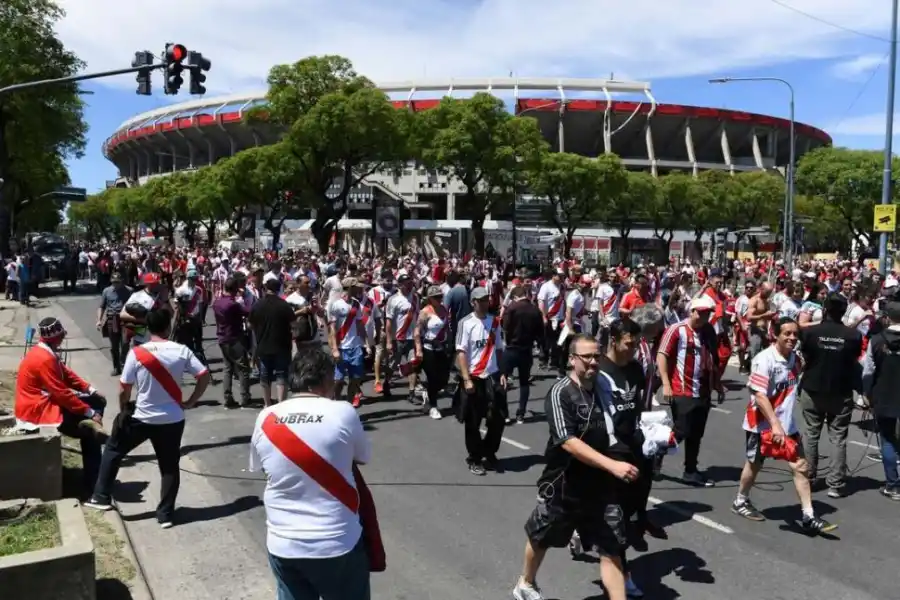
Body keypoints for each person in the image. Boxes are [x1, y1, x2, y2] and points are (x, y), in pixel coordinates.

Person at [513, 334, 638, 600]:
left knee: (612, 547)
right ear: (572, 359)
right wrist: (612, 465)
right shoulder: (561, 393)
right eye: (587, 357)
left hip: (601, 485)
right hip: (563, 483)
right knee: (543, 535)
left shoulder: (604, 388)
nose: (593, 362)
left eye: (597, 356)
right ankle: (526, 582)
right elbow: (567, 441)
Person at [249, 349, 372, 600]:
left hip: (284, 541)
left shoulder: (266, 416)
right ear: (327, 379)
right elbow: (362, 457)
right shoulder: (343, 411)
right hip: (336, 540)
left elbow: (263, 467)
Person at [85, 307, 210, 528]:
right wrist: (190, 401)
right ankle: (165, 515)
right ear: (168, 326)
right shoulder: (181, 351)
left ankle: (100, 497)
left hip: (142, 416)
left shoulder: (137, 353)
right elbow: (203, 375)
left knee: (114, 450)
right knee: (169, 466)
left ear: (147, 327)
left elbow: (124, 387)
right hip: (172, 418)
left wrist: (124, 409)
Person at [731, 317, 837, 534]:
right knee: (754, 465)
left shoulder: (795, 360)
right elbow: (759, 396)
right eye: (787, 333)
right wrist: (775, 425)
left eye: (795, 334)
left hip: (787, 426)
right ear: (775, 335)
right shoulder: (764, 360)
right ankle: (741, 501)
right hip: (760, 425)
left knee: (801, 466)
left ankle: (808, 515)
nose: (791, 338)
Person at [15, 317, 107, 495]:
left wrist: (90, 389)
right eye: (62, 335)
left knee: (97, 402)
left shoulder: (47, 352)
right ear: (54, 338)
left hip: (44, 402)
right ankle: (94, 484)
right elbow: (61, 393)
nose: (64, 338)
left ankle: (92, 424)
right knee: (90, 435)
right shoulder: (45, 359)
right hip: (37, 410)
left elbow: (66, 374)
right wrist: (88, 413)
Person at [798, 293, 862, 497]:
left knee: (811, 434)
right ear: (843, 312)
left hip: (813, 389)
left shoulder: (810, 333)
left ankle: (809, 476)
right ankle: (835, 483)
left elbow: (805, 357)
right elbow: (852, 361)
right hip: (840, 390)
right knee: (838, 438)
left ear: (824, 310)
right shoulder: (853, 336)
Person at [656, 295, 720, 487]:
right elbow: (662, 355)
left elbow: (712, 358)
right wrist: (666, 383)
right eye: (700, 313)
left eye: (708, 314)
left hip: (703, 391)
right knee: (681, 431)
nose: (704, 317)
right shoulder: (677, 330)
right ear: (691, 311)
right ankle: (656, 454)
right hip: (682, 390)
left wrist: (717, 383)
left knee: (696, 434)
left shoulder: (708, 331)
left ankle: (690, 470)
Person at [454, 286, 508, 475]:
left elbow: (499, 349)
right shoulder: (466, 323)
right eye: (480, 300)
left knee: (498, 418)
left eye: (486, 300)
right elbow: (461, 351)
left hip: (492, 376)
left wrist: (502, 372)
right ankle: (474, 457)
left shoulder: (495, 322)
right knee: (473, 421)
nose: (484, 303)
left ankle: (489, 451)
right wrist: (466, 378)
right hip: (474, 377)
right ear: (473, 303)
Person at [861, 300, 900, 500]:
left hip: (884, 396)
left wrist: (866, 395)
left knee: (888, 439)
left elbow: (868, 372)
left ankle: (893, 485)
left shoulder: (877, 340)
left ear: (886, 318)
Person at [250, 278, 297, 407]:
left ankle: (267, 403)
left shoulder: (258, 305)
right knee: (282, 374)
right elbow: (294, 324)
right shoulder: (284, 305)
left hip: (264, 345)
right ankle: (281, 404)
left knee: (265, 376)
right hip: (282, 345)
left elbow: (250, 325)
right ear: (278, 289)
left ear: (265, 289)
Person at [502, 284, 543, 424]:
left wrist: (507, 341)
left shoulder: (512, 308)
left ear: (514, 297)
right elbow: (540, 333)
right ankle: (521, 414)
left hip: (511, 348)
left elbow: (505, 328)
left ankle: (505, 414)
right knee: (524, 383)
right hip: (526, 350)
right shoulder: (535, 310)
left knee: (503, 381)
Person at [327, 277, 370, 407]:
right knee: (338, 380)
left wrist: (366, 344)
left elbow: (360, 325)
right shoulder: (336, 304)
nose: (360, 289)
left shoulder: (356, 303)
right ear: (350, 288)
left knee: (356, 378)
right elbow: (332, 328)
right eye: (357, 286)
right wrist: (334, 348)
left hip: (355, 346)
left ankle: (349, 404)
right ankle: (336, 401)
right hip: (341, 346)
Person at [213, 276, 252, 409]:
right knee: (243, 368)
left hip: (222, 338)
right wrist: (245, 297)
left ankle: (227, 397)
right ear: (235, 289)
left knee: (228, 369)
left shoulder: (217, 303)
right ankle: (245, 397)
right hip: (235, 338)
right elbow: (248, 312)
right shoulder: (233, 304)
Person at [415, 285, 452, 420]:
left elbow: (447, 327)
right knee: (432, 378)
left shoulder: (443, 309)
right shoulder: (425, 312)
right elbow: (417, 332)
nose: (439, 299)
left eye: (440, 296)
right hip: (428, 348)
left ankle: (429, 396)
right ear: (430, 299)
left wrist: (450, 341)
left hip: (441, 347)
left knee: (443, 379)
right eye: (436, 297)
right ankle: (433, 406)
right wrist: (419, 350)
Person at [97, 272, 133, 375]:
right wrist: (99, 320)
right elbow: (102, 307)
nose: (115, 284)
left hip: (125, 319)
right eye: (114, 282)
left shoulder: (129, 291)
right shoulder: (106, 291)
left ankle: (123, 362)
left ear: (122, 281)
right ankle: (116, 367)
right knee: (114, 345)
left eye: (117, 282)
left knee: (126, 342)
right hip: (112, 318)